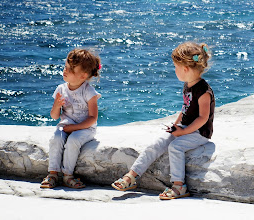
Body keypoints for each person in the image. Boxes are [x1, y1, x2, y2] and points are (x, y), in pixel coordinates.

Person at [111, 42, 215, 200]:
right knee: (157, 144)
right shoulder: (188, 85)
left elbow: (203, 118)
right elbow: (185, 108)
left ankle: (179, 186)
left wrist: (183, 132)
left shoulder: (203, 91)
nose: (174, 71)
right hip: (186, 128)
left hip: (199, 133)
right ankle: (131, 176)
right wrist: (176, 126)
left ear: (185, 69)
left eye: (176, 67)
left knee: (175, 147)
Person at [40, 48, 101, 189]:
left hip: (85, 128)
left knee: (73, 141)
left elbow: (93, 118)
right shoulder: (61, 89)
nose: (65, 71)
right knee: (56, 138)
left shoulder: (89, 92)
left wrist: (74, 128)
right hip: (67, 125)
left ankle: (68, 175)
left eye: (71, 70)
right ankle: (53, 174)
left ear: (83, 76)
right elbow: (54, 116)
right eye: (65, 67)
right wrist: (56, 105)